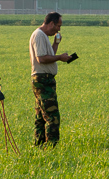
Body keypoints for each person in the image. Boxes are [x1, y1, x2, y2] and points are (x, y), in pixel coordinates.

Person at [28, 12, 77, 146]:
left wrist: (56, 43)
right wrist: (60, 57)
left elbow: (49, 56)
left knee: (41, 117)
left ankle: (39, 145)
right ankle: (51, 148)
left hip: (44, 79)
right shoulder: (39, 35)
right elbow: (42, 59)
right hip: (43, 80)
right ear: (51, 23)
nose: (59, 29)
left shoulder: (43, 36)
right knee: (52, 116)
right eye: (58, 26)